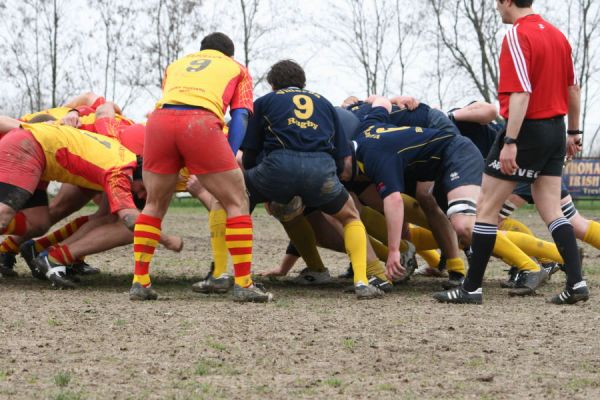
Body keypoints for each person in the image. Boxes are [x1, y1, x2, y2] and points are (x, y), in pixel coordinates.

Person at [434, 0, 588, 305]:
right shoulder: (558, 36)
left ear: (507, 1)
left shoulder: (517, 35)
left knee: (486, 209)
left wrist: (510, 140)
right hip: (555, 130)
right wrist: (573, 132)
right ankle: (576, 283)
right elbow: (573, 88)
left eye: (496, 2)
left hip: (527, 129)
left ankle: (471, 288)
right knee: (552, 210)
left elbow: (521, 92)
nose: (495, 8)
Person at [130, 32, 273, 302]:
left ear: (201, 50)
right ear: (229, 55)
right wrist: (228, 155)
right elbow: (240, 115)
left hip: (159, 121)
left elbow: (173, 100)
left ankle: (140, 281)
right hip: (200, 121)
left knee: (155, 202)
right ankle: (244, 283)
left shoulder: (176, 64)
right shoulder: (237, 68)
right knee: (237, 199)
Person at [241, 59, 384, 299]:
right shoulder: (326, 104)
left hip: (278, 167)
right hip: (320, 169)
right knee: (350, 217)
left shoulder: (264, 102)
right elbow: (343, 157)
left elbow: (250, 152)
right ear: (303, 83)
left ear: (273, 84)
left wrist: (257, 184)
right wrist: (330, 177)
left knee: (235, 204)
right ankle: (361, 281)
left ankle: (232, 277)